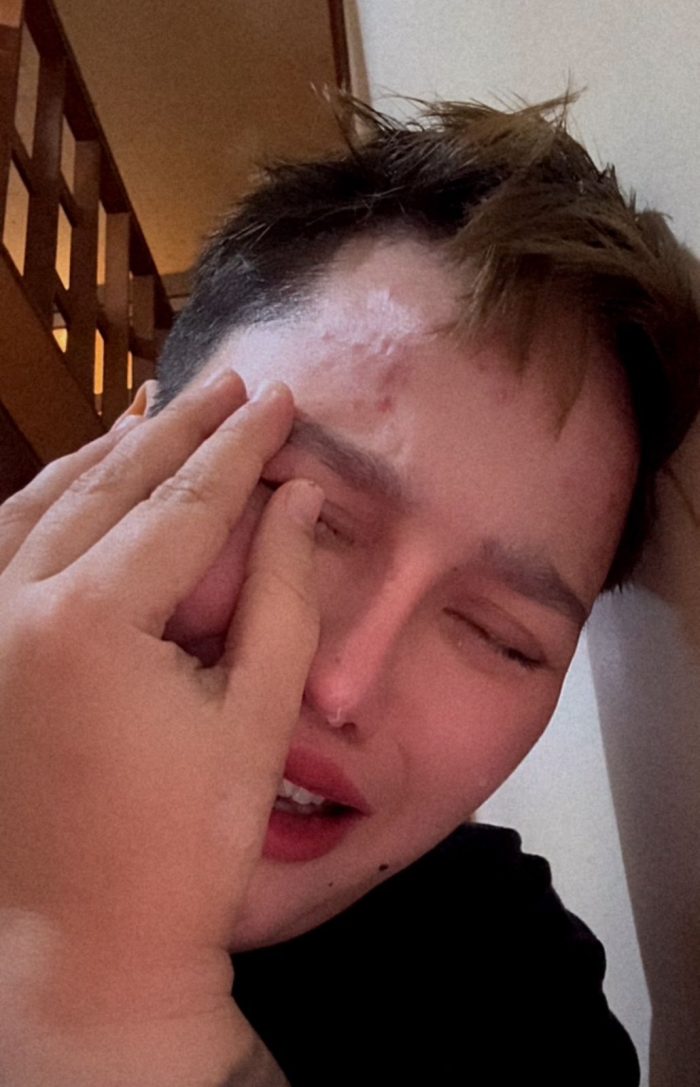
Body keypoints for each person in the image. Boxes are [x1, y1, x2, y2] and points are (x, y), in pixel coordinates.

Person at [0, 94, 697, 1086]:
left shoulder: (506, 987)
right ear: (118, 458)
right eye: (303, 507)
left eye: (500, 635)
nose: (340, 683)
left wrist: (103, 987)